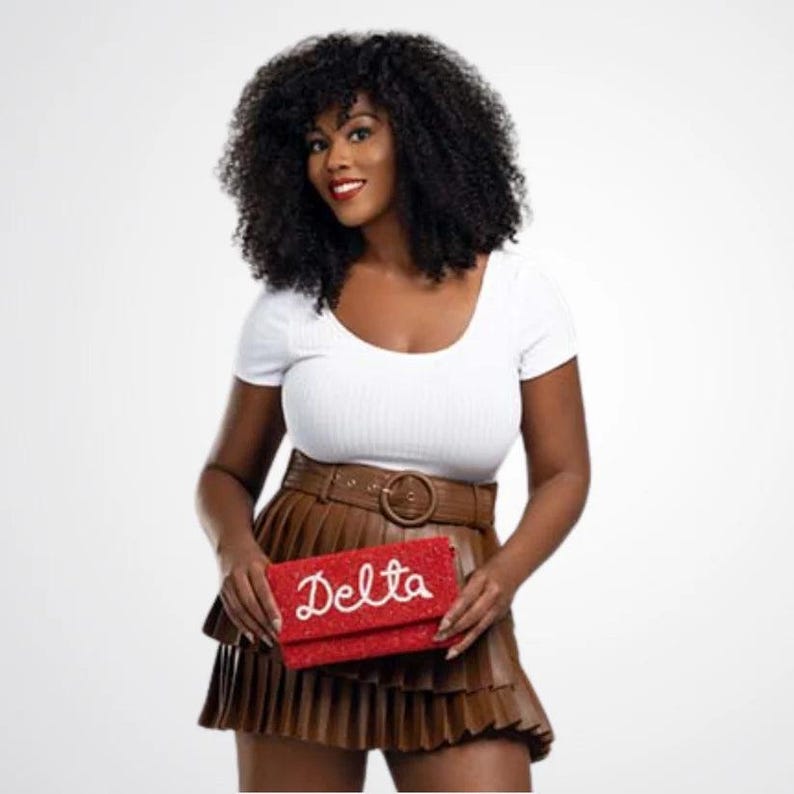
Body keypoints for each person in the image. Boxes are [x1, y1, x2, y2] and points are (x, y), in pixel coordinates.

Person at [195, 30, 590, 792]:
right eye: (316, 143)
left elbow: (565, 472)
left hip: (452, 611)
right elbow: (226, 474)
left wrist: (504, 576)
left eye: (358, 132)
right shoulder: (289, 303)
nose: (333, 161)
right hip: (303, 599)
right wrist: (234, 552)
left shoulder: (520, 296)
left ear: (423, 135)